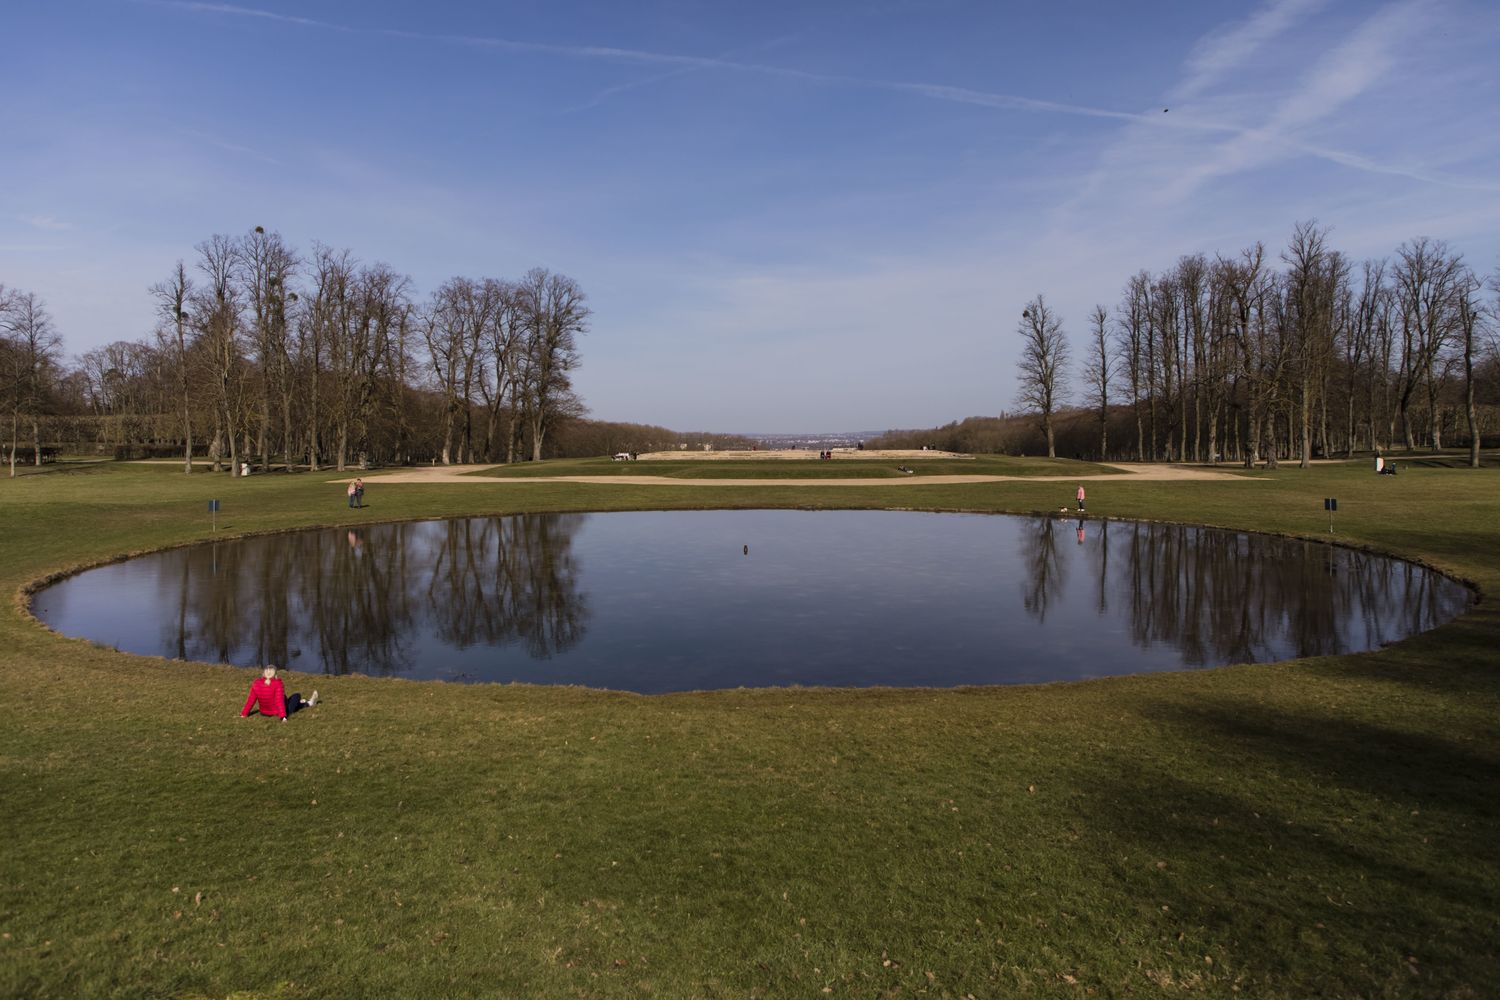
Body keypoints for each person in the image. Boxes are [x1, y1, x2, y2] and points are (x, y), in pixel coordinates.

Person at [241, 665, 317, 723]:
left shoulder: (256, 683)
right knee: (297, 696)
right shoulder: (277, 684)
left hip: (264, 713)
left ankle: (302, 702)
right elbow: (279, 701)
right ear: (275, 675)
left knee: (284, 697)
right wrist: (283, 717)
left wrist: (244, 714)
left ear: (264, 673)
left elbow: (250, 701)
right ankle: (309, 703)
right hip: (277, 712)